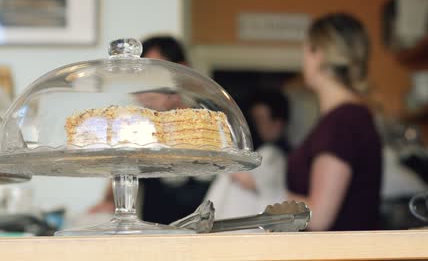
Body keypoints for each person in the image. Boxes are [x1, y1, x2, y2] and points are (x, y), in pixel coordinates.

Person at [89, 36, 211, 224]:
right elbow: (121, 172)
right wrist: (107, 203)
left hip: (210, 234)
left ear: (182, 70)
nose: (145, 88)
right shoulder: (138, 127)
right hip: (156, 232)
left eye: (154, 75)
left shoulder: (207, 122)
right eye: (141, 78)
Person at [287, 13, 382, 231]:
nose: (303, 59)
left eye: (306, 50)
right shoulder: (348, 117)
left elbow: (319, 217)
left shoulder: (342, 122)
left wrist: (267, 189)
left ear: (318, 54)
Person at [205, 90, 290, 219]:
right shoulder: (257, 150)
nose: (255, 126)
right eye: (254, 119)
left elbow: (252, 181)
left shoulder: (275, 154)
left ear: (277, 124)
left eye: (260, 120)